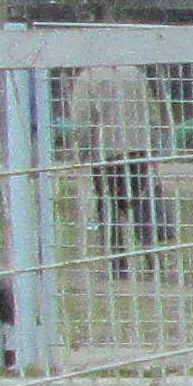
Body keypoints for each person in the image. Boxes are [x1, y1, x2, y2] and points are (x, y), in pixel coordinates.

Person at [66, 56, 168, 275]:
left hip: (106, 151)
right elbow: (152, 111)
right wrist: (154, 141)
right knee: (143, 205)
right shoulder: (135, 73)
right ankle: (154, 260)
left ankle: (116, 264)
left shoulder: (88, 77)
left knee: (109, 207)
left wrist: (82, 150)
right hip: (139, 148)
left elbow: (81, 118)